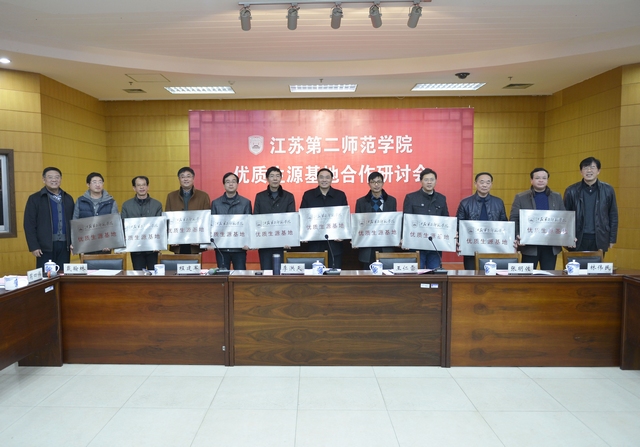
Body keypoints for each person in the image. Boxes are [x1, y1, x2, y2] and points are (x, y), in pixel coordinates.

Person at [510, 167, 565, 270]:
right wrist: (517, 234)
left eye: (544, 178)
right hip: (529, 245)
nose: (541, 180)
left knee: (548, 275)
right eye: (537, 178)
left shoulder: (557, 197)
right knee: (527, 275)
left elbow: (563, 218)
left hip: (550, 245)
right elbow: (514, 218)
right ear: (531, 180)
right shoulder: (521, 197)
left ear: (547, 180)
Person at [23, 167, 75, 270]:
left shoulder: (68, 198)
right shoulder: (35, 199)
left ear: (61, 179)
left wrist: (74, 242)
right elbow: (29, 224)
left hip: (65, 246)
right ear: (44, 180)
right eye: (50, 177)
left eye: (57, 177)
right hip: (44, 246)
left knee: (63, 274)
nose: (54, 180)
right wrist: (34, 246)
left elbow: (74, 222)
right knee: (46, 275)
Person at [563, 156, 618, 253]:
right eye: (585, 168)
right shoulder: (571, 190)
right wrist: (567, 237)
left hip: (599, 238)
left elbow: (613, 215)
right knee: (576, 263)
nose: (589, 170)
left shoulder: (608, 190)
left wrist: (612, 238)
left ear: (598, 171)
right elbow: (565, 216)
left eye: (592, 167)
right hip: (577, 238)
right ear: (581, 172)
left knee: (596, 263)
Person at [456, 172, 507, 270]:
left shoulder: (498, 202)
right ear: (476, 184)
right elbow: (458, 225)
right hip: (471, 247)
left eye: (488, 182)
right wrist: (458, 242)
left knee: (491, 274)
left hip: (493, 246)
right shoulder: (465, 203)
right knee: (471, 274)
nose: (485, 185)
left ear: (491, 184)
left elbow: (504, 224)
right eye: (482, 182)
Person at [300, 168, 348, 269]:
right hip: (314, 245)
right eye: (321, 177)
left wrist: (342, 234)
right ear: (317, 179)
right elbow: (303, 217)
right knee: (315, 275)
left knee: (334, 275)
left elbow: (344, 218)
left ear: (331, 179)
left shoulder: (340, 195)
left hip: (334, 245)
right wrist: (303, 234)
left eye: (327, 177)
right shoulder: (308, 195)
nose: (324, 180)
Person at [402, 168, 449, 269]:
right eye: (426, 180)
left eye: (432, 180)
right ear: (421, 181)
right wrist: (405, 239)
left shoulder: (441, 199)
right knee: (416, 273)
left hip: (435, 245)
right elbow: (406, 221)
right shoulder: (411, 198)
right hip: (416, 244)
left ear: (436, 181)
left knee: (434, 273)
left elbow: (446, 220)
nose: (429, 182)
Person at [253, 166, 296, 270]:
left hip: (283, 243)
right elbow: (255, 218)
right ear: (267, 179)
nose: (275, 178)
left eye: (277, 176)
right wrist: (256, 240)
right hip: (265, 242)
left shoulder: (289, 196)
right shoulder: (260, 196)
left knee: (282, 272)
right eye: (272, 176)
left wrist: (290, 240)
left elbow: (291, 219)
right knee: (266, 272)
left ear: (281, 178)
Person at [354, 171, 398, 268]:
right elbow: (357, 224)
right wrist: (356, 239)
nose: (376, 185)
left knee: (386, 273)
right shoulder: (361, 202)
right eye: (373, 182)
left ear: (383, 183)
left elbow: (394, 223)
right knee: (368, 273)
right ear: (369, 184)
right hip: (367, 245)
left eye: (379, 182)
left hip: (385, 244)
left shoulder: (391, 201)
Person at [210, 172, 252, 270]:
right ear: (224, 185)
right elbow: (212, 225)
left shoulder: (246, 202)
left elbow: (249, 226)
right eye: (228, 182)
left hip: (240, 248)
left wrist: (249, 242)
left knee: (240, 275)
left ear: (237, 184)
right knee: (222, 276)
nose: (231, 184)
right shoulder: (216, 203)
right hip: (221, 248)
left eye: (233, 181)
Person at [165, 167, 211, 254]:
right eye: (182, 177)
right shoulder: (171, 196)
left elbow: (207, 220)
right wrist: (170, 238)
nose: (185, 179)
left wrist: (201, 239)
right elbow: (167, 220)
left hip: (195, 241)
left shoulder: (203, 196)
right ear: (179, 179)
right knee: (179, 262)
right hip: (177, 241)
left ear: (193, 178)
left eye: (188, 176)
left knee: (195, 262)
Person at [121, 176, 163, 270]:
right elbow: (123, 226)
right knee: (138, 274)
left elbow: (160, 227)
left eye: (144, 185)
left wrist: (158, 244)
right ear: (134, 188)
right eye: (139, 185)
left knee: (154, 274)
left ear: (148, 187)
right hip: (135, 248)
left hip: (153, 248)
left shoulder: (157, 204)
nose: (142, 187)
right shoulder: (127, 205)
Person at [73, 172, 119, 254]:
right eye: (94, 182)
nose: (98, 185)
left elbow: (115, 224)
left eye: (100, 182)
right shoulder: (80, 201)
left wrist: (110, 243)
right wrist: (76, 243)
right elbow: (75, 221)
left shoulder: (111, 202)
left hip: (105, 245)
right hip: (85, 244)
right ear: (88, 184)